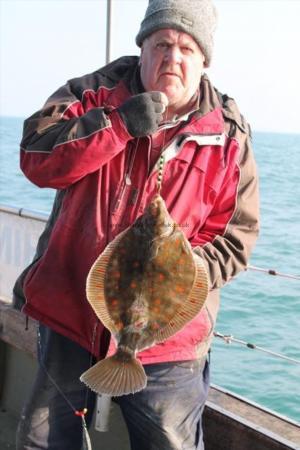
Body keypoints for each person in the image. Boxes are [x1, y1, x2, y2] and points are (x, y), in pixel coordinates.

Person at [13, 0, 259, 449]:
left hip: (169, 343)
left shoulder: (229, 134)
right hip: (71, 313)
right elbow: (36, 160)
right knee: (42, 440)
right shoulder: (90, 95)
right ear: (142, 48)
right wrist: (118, 125)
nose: (173, 57)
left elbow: (236, 237)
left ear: (204, 61)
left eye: (187, 48)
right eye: (162, 43)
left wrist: (178, 269)